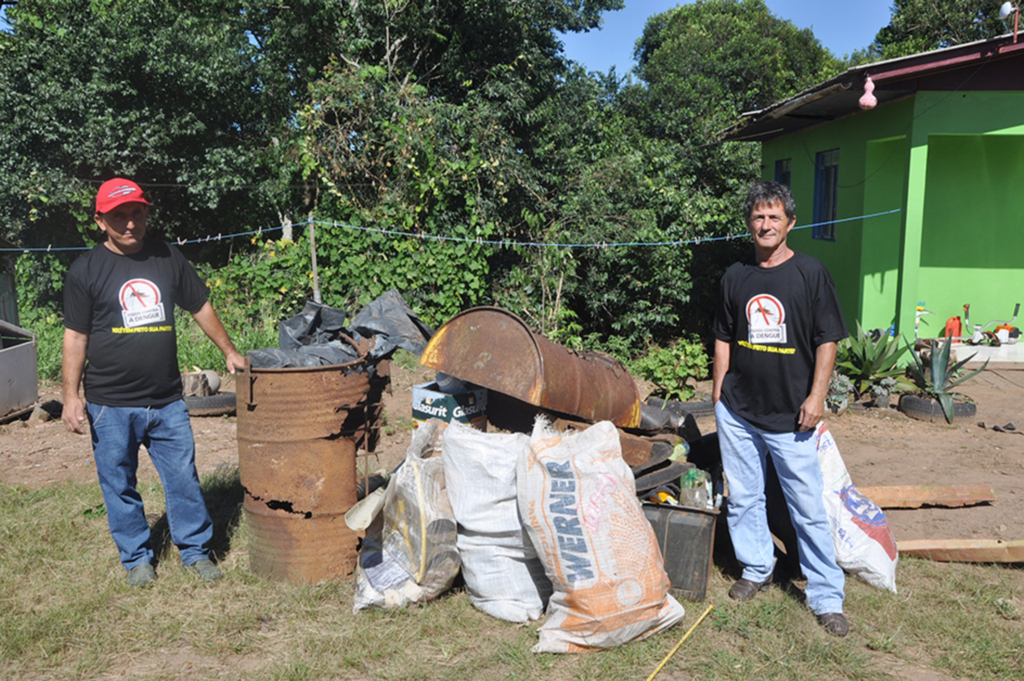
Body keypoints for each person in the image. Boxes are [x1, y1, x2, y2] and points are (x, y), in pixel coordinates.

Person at [61, 178, 246, 587]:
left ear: (147, 213)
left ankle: (196, 551)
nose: (130, 224)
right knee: (119, 484)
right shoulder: (85, 271)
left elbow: (200, 305)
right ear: (100, 221)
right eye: (119, 216)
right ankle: (137, 558)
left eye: (137, 213)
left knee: (182, 477)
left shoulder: (167, 258)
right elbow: (75, 336)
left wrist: (229, 352)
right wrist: (71, 396)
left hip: (166, 400)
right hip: (110, 403)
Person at [712, 181, 850, 636]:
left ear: (790, 223)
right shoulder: (736, 276)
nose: (765, 224)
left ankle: (826, 596)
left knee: (806, 505)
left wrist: (817, 396)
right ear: (749, 223)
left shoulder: (811, 273)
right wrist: (718, 392)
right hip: (738, 410)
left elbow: (827, 339)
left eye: (774, 217)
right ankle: (756, 569)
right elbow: (724, 336)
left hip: (792, 415)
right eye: (758, 217)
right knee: (745, 498)